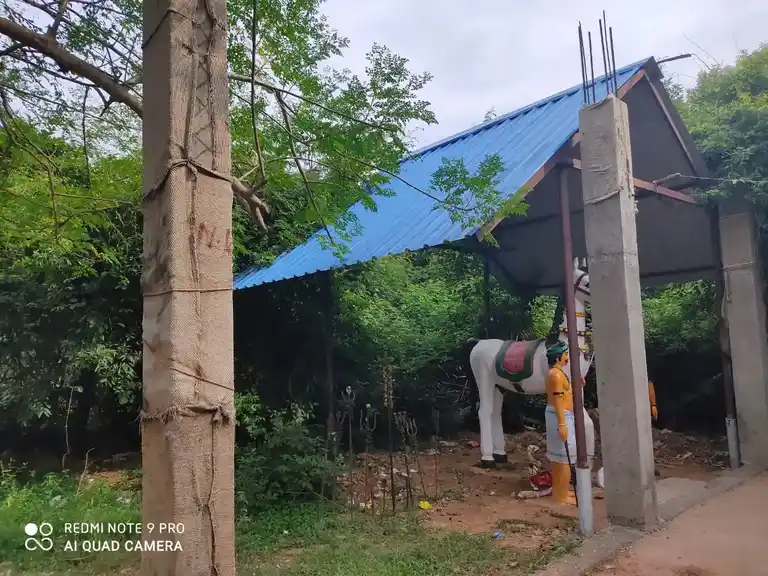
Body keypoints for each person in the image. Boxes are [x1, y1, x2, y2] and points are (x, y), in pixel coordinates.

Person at [544, 341, 595, 505]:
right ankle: (562, 495)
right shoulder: (556, 375)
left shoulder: (558, 373)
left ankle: (561, 492)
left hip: (563, 415)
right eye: (565, 355)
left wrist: (575, 384)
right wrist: (562, 424)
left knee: (562, 458)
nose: (567, 358)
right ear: (558, 357)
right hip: (560, 416)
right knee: (564, 458)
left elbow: (565, 393)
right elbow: (559, 400)